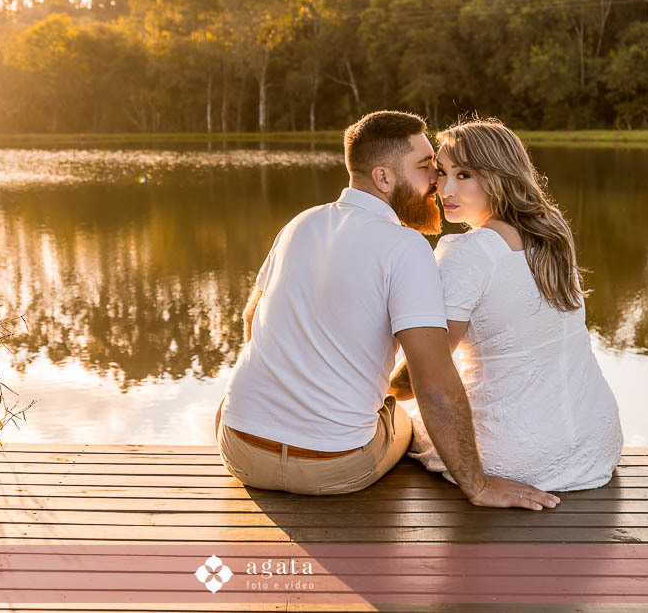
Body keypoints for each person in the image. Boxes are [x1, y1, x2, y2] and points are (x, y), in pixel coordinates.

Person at [215, 110, 560, 511]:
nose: (436, 181)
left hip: (240, 449)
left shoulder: (301, 223)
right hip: (334, 467)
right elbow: (433, 384)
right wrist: (478, 486)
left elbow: (251, 320)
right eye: (424, 167)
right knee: (403, 420)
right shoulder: (406, 248)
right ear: (383, 178)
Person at [396, 118, 623, 491]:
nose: (445, 189)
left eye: (465, 174)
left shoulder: (467, 252)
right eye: (441, 173)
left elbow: (427, 372)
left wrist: (383, 392)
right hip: (595, 442)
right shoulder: (553, 235)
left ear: (500, 176)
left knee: (394, 414)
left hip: (514, 457)